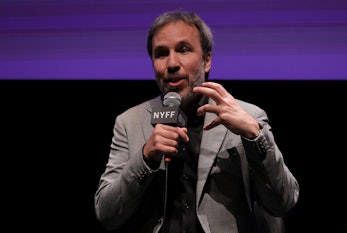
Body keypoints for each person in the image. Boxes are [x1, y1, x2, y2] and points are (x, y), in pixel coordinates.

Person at [94, 9, 299, 233]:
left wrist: (255, 136)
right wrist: (146, 157)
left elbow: (283, 203)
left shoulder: (249, 117)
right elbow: (107, 215)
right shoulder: (129, 122)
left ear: (207, 60)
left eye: (183, 50)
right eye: (161, 53)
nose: (172, 63)